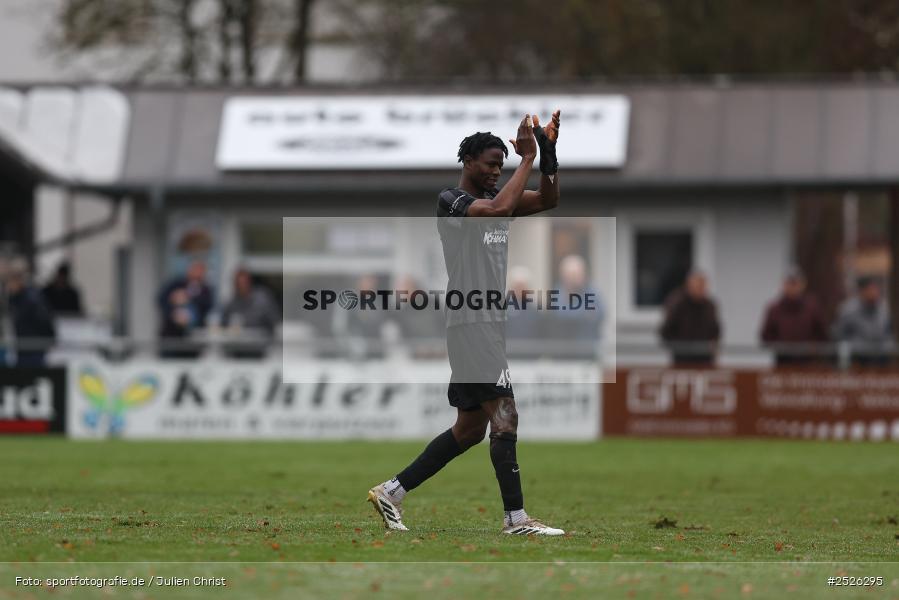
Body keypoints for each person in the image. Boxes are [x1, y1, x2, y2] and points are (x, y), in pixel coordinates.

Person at [368, 111, 566, 536]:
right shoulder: (453, 201)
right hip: (472, 320)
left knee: (470, 428)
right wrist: (525, 159)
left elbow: (549, 200)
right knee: (506, 415)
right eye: (491, 164)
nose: (497, 171)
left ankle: (391, 492)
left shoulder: (499, 202)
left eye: (501, 164)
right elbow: (496, 208)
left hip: (485, 323)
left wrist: (547, 155)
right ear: (468, 162)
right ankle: (516, 520)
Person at [759, 269, 828, 366]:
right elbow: (766, 336)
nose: (792, 287)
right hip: (782, 363)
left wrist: (813, 347)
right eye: (789, 283)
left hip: (808, 364)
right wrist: (780, 346)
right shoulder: (774, 309)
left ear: (802, 285)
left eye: (795, 283)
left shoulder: (813, 308)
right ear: (783, 285)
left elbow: (823, 334)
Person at [659, 270, 721, 366]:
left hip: (705, 358)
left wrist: (714, 346)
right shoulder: (677, 303)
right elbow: (666, 330)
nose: (701, 289)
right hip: (682, 358)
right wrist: (678, 346)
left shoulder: (709, 305)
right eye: (698, 286)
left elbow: (716, 330)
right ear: (689, 285)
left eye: (703, 286)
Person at [549, 255, 604, 359]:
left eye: (575, 275)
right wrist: (583, 314)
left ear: (583, 274)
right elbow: (557, 316)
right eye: (568, 275)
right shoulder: (557, 292)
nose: (572, 279)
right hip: (562, 353)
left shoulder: (593, 293)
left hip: (587, 352)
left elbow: (598, 316)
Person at [832, 276, 894, 367]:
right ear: (862, 291)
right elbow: (839, 334)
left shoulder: (885, 309)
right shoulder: (848, 310)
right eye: (870, 289)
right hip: (857, 359)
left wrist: (888, 347)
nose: (874, 292)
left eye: (876, 289)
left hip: (882, 359)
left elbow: (889, 332)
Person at [157, 260, 214, 358]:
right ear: (189, 270)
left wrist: (187, 298)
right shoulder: (175, 284)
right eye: (195, 269)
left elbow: (207, 307)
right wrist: (173, 313)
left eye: (201, 271)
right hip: (171, 337)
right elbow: (161, 300)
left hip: (193, 340)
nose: (198, 273)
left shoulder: (205, 289)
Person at [221, 268, 281, 359]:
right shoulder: (231, 303)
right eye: (238, 283)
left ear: (249, 282)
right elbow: (224, 324)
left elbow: (275, 320)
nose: (241, 286)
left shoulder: (262, 298)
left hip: (259, 349)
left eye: (243, 283)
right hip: (237, 350)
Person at [5, 259, 56, 366]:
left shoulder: (32, 299)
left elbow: (44, 321)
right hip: (22, 348)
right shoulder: (14, 298)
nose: (8, 286)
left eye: (10, 281)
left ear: (17, 280)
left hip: (34, 348)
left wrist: (48, 339)